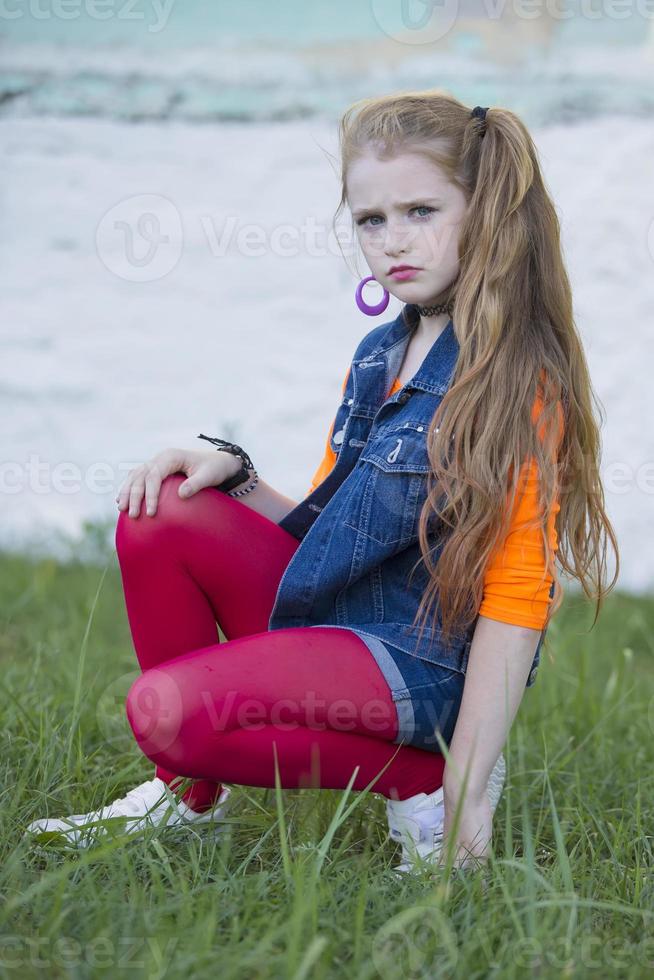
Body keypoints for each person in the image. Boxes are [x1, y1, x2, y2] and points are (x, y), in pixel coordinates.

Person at [25, 91, 619, 874]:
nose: (393, 240)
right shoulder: (378, 353)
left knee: (163, 712)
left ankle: (425, 782)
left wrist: (472, 789)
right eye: (372, 220)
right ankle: (189, 799)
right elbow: (330, 528)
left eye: (420, 210)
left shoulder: (516, 380)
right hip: (340, 619)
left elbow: (516, 598)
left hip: (419, 661)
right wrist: (237, 480)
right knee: (164, 512)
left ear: (487, 213)